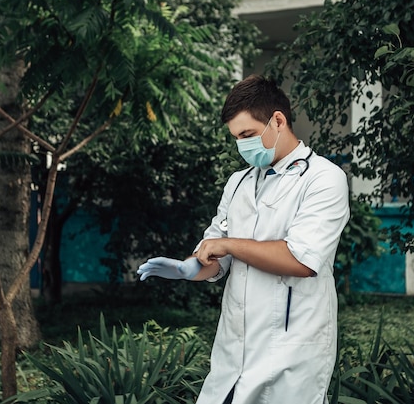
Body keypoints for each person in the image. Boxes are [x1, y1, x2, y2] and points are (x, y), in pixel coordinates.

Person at [137, 74, 350, 404]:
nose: (242, 145)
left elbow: (301, 260)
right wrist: (190, 268)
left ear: (278, 120)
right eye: (237, 138)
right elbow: (215, 256)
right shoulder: (238, 183)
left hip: (290, 351)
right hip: (233, 349)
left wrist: (227, 245)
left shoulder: (323, 179)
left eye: (248, 134)